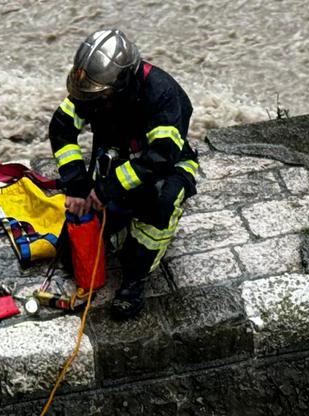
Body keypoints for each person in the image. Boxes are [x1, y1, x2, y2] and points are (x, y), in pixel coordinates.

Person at [48, 28, 199, 319]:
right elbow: (62, 127)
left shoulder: (161, 94)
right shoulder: (95, 88)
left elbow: (160, 157)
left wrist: (106, 189)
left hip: (166, 169)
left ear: (122, 81)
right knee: (68, 254)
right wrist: (77, 186)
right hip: (118, 163)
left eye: (101, 94)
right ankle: (118, 228)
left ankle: (135, 280)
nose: (95, 99)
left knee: (158, 205)